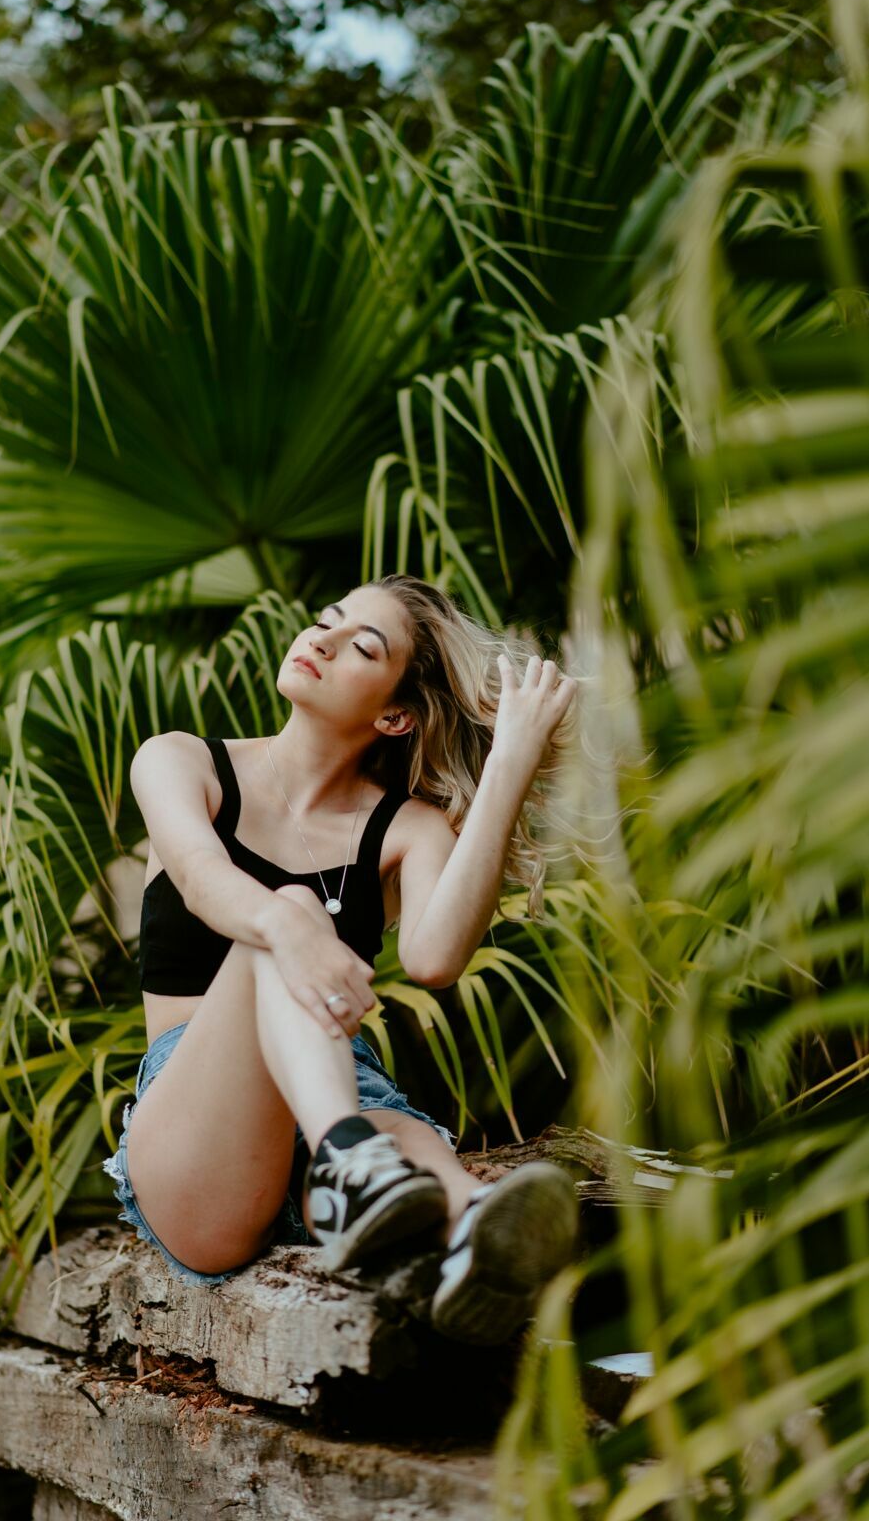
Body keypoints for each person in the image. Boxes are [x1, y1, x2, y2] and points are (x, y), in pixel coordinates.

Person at [103, 574, 580, 1346]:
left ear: (394, 715)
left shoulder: (407, 829)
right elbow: (198, 876)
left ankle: (467, 1235)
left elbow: (434, 958)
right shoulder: (182, 761)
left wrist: (510, 760)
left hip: (347, 1089)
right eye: (327, 620)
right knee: (287, 914)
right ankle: (349, 1161)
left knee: (421, 1151)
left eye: (361, 645)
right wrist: (290, 925)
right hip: (198, 1131)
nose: (320, 639)